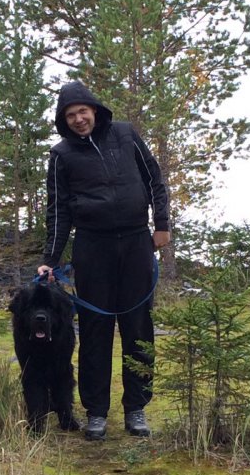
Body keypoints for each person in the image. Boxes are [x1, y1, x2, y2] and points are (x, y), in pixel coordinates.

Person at [37, 81, 170, 440]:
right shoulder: (61, 155)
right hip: (92, 248)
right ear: (64, 121)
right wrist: (50, 258)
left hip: (136, 243)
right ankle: (96, 412)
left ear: (94, 109)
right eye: (71, 115)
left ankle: (136, 409)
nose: (79, 119)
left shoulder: (126, 134)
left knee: (137, 326)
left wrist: (162, 225)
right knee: (95, 330)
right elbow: (58, 212)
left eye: (83, 111)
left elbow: (155, 180)